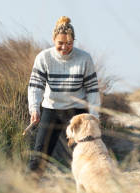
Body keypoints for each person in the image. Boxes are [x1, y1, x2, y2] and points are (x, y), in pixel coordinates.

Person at [27, 16, 101, 176]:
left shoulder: (84, 58)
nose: (64, 47)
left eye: (69, 43)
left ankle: (89, 189)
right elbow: (35, 85)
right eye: (60, 43)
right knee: (39, 155)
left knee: (85, 154)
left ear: (74, 41)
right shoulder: (43, 58)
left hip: (77, 112)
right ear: (54, 39)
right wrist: (34, 109)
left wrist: (94, 115)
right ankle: (28, 191)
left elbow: (92, 89)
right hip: (51, 109)